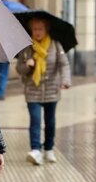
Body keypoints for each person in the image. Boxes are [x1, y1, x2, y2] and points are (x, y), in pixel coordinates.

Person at [16, 17, 71, 166]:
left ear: (46, 29)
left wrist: (65, 81)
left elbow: (64, 64)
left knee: (50, 122)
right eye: (35, 29)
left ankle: (48, 148)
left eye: (40, 29)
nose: (38, 32)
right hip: (32, 91)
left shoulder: (55, 45)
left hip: (52, 90)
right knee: (35, 120)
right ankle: (36, 150)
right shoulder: (27, 48)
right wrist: (27, 65)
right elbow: (19, 69)